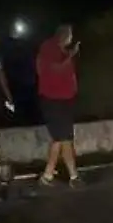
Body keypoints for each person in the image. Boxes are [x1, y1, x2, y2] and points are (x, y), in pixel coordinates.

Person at [36, 23, 81, 185]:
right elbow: (54, 69)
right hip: (54, 100)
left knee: (59, 139)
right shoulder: (49, 48)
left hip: (64, 100)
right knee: (65, 138)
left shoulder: (60, 50)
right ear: (65, 35)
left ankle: (47, 175)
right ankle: (74, 176)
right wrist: (71, 56)